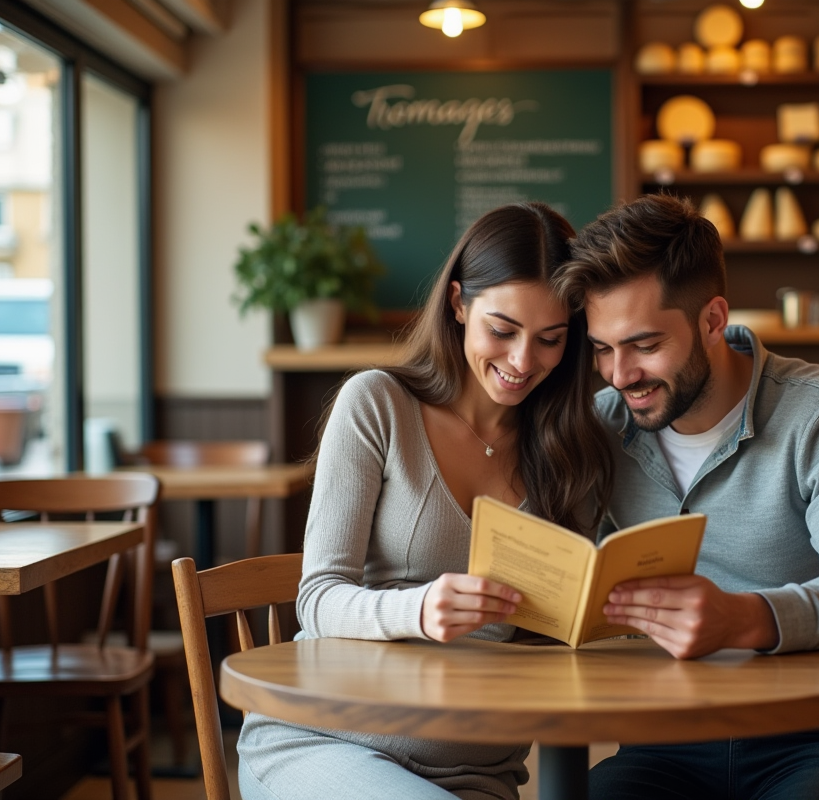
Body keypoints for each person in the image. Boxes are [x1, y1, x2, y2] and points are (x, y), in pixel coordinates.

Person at [237, 202, 613, 800]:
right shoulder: (378, 404)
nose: (522, 362)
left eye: (550, 340)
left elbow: (549, 645)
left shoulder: (570, 449)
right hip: (329, 740)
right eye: (502, 329)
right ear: (460, 304)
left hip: (478, 772)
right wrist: (418, 609)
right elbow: (318, 599)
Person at [555, 193, 819, 800]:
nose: (620, 375)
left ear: (712, 319)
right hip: (661, 741)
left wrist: (744, 617)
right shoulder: (600, 427)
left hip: (815, 738)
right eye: (601, 349)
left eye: (645, 345)